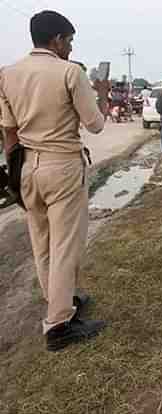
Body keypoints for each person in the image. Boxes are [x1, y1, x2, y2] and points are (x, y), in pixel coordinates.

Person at [0, 10, 110, 351]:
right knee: (65, 246)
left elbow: (9, 131)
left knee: (43, 243)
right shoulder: (70, 73)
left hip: (27, 167)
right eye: (70, 41)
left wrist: (14, 173)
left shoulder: (7, 74)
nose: (71, 48)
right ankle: (60, 325)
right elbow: (95, 125)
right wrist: (102, 93)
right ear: (57, 40)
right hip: (61, 166)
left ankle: (59, 301)